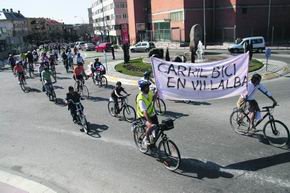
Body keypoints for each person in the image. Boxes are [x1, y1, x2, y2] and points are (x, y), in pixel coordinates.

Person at [136, 80, 159, 146]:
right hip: (143, 116)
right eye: (146, 87)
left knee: (157, 128)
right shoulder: (141, 99)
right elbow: (145, 112)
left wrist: (157, 93)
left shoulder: (149, 92)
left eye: (148, 87)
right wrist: (150, 123)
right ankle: (146, 138)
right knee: (150, 126)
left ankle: (152, 142)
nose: (148, 88)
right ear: (143, 88)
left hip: (151, 113)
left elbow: (152, 99)